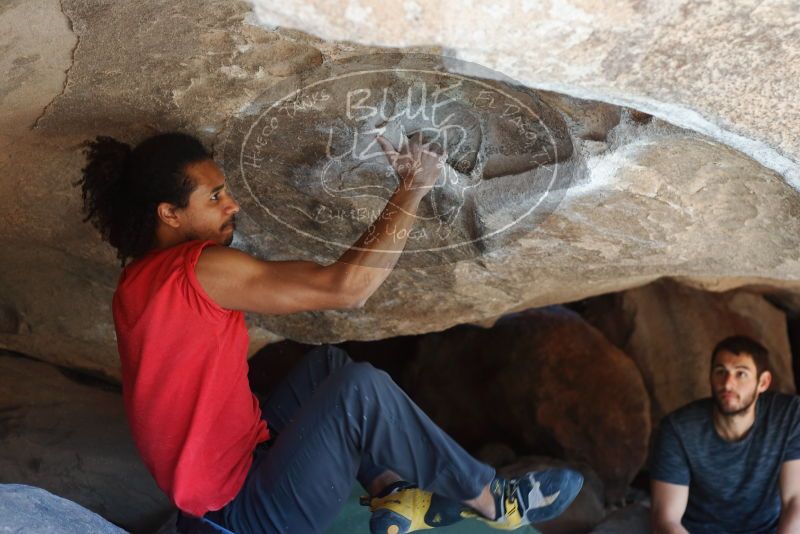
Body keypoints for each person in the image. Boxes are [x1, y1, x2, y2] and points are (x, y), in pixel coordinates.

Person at [76, 131, 582, 533]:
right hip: (246, 517)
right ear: (169, 213)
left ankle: (393, 495)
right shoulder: (197, 269)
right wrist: (412, 187)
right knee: (357, 390)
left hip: (225, 486)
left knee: (326, 367)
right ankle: (495, 500)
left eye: (225, 190)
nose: (231, 205)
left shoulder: (138, 280)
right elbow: (347, 289)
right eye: (214, 196)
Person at [650, 335, 800, 534]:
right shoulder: (678, 429)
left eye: (741, 374)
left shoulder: (788, 416)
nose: (728, 384)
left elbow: (795, 500)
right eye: (721, 372)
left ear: (763, 382)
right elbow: (667, 520)